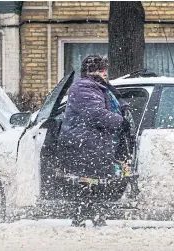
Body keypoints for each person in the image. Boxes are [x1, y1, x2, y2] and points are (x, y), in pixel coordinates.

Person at [58, 55, 132, 227]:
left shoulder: (97, 87)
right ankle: (85, 218)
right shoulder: (85, 88)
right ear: (90, 72)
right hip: (84, 145)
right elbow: (96, 115)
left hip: (91, 144)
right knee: (90, 183)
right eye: (101, 70)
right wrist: (120, 120)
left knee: (94, 183)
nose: (105, 73)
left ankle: (91, 217)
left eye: (105, 69)